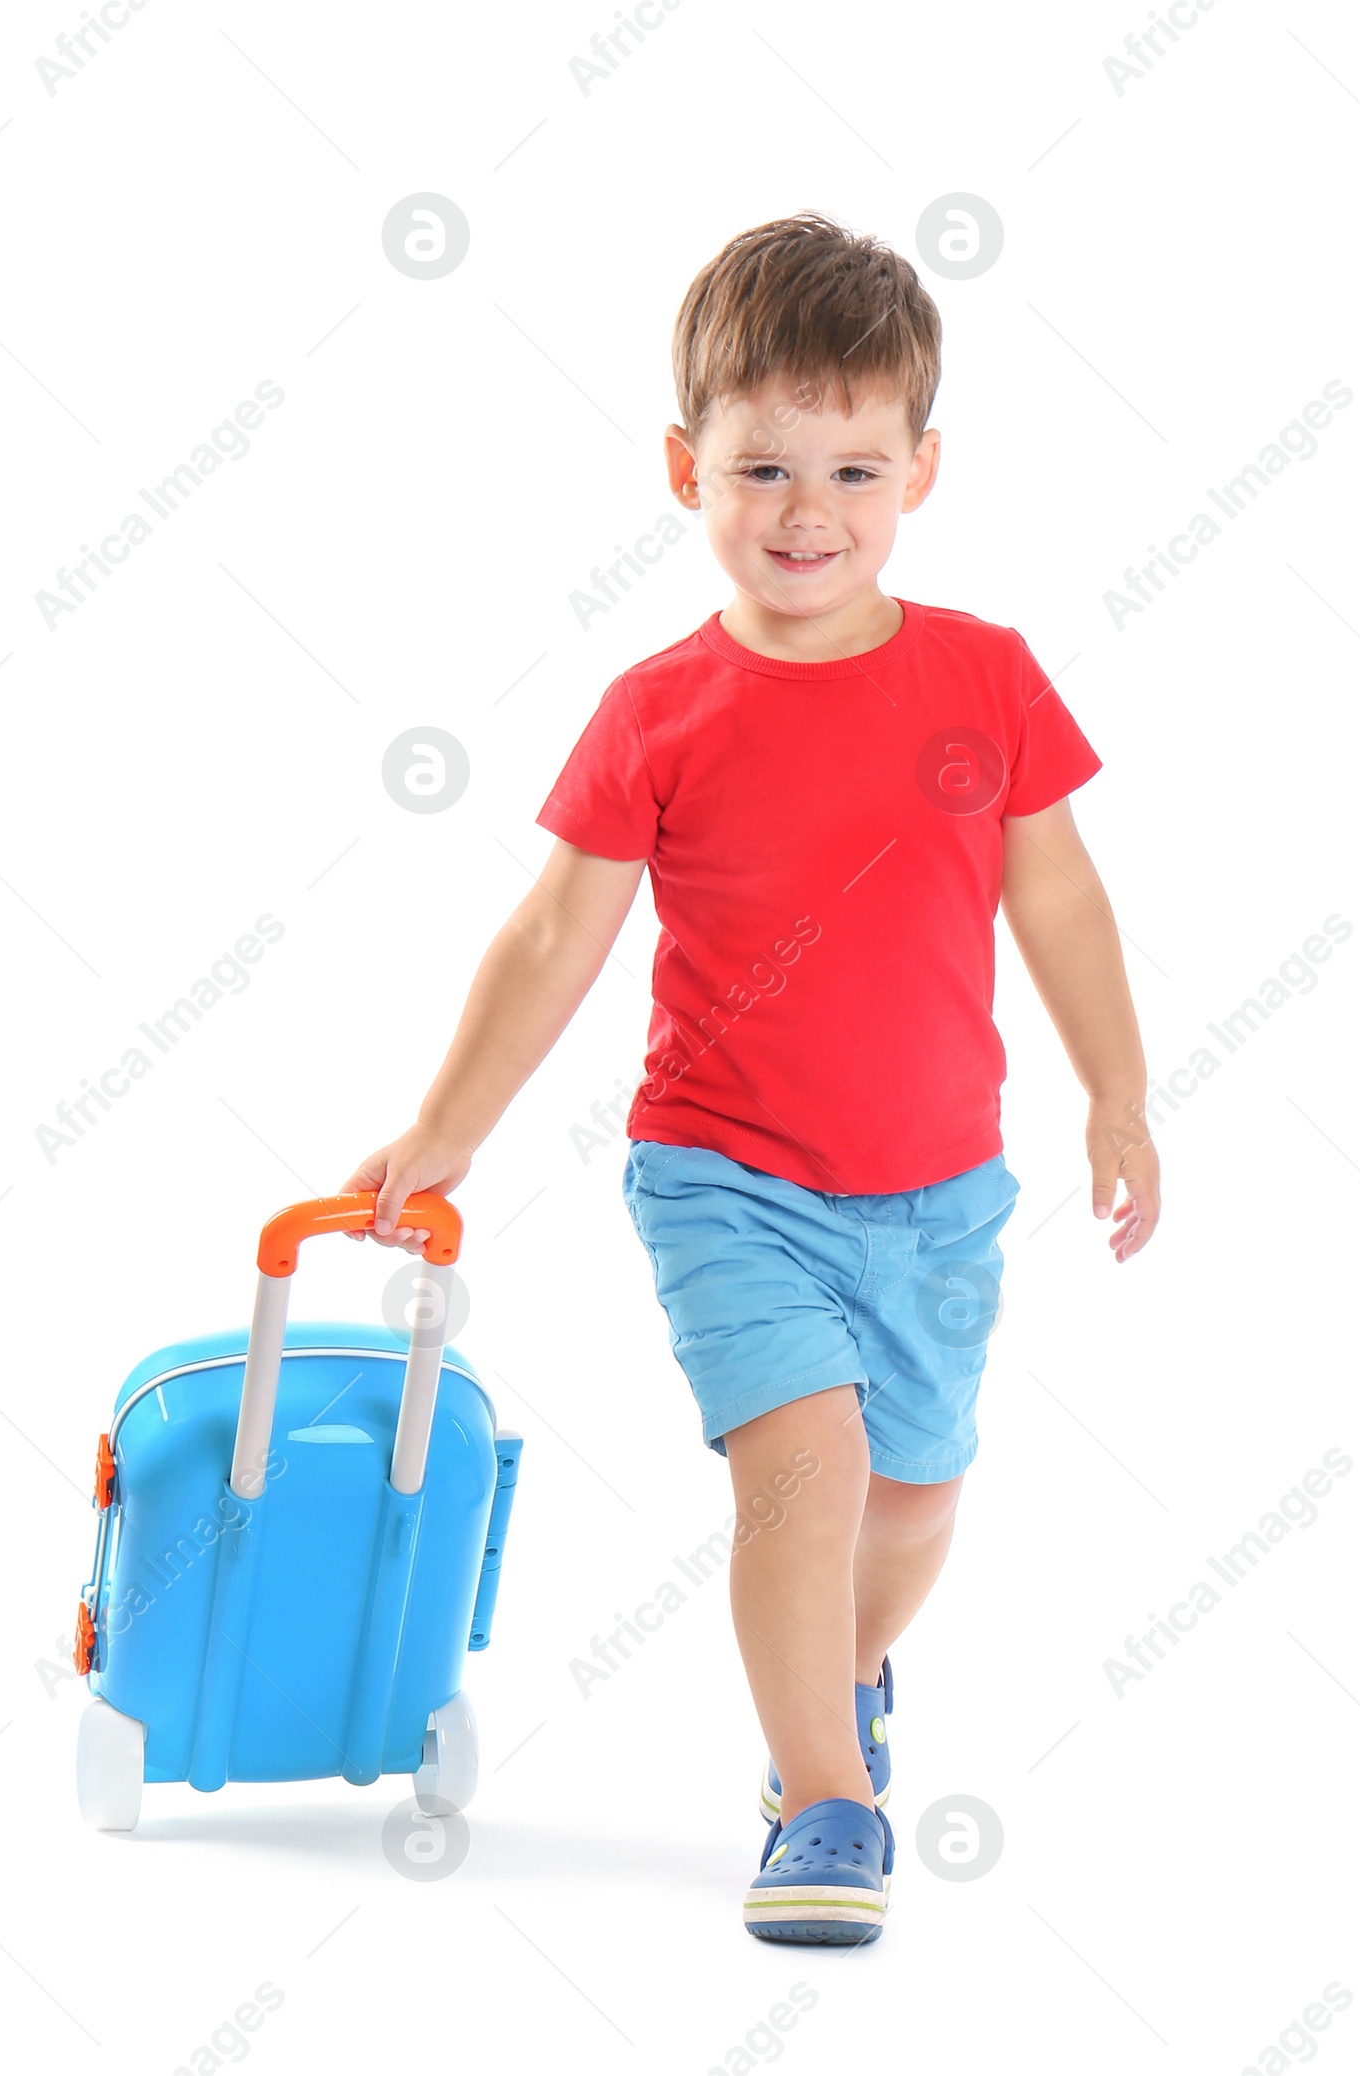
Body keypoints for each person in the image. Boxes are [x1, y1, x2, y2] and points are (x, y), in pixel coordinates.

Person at [343, 212, 1160, 1945]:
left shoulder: (987, 678)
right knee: (804, 1469)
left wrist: (1118, 1092)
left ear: (922, 471)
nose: (807, 512)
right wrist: (444, 1133)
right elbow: (555, 934)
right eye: (764, 465)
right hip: (728, 1175)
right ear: (683, 466)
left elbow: (1060, 893)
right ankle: (829, 1805)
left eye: (854, 469)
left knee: (917, 1487)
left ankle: (839, 1688)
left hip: (940, 1184)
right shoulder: (659, 711)